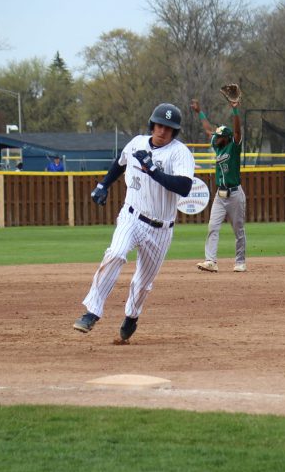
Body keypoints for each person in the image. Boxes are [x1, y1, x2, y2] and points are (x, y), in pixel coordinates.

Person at [74, 103, 195, 343]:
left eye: (168, 128)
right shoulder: (137, 143)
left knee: (142, 283)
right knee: (115, 253)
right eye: (159, 125)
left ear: (174, 132)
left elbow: (184, 186)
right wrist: (103, 185)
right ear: (153, 125)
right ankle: (92, 311)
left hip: (161, 228)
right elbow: (119, 164)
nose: (162, 131)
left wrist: (152, 170)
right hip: (132, 215)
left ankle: (131, 316)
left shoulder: (179, 153)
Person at [190, 96, 247, 273]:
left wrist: (236, 110)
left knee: (238, 229)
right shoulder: (218, 145)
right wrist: (200, 113)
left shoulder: (234, 146)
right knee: (213, 226)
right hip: (220, 195)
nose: (216, 137)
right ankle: (210, 261)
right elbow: (208, 130)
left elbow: (238, 132)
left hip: (235, 194)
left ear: (227, 138)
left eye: (220, 136)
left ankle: (240, 262)